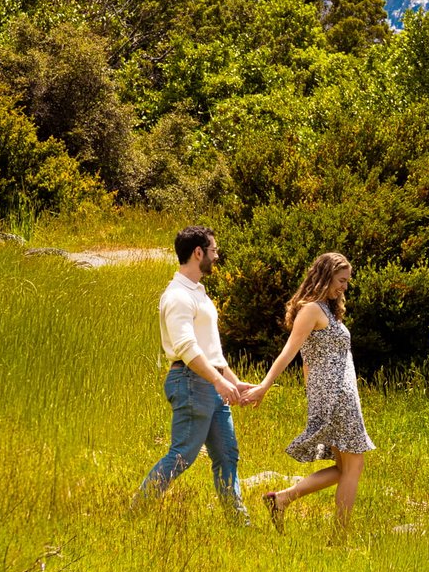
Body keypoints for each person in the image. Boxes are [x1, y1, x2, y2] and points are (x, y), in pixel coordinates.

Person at [243, 251, 374, 536]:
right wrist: (264, 386)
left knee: (344, 467)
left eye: (347, 282)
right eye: (341, 280)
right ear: (325, 276)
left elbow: (309, 361)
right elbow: (291, 352)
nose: (344, 287)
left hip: (340, 394)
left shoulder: (328, 310)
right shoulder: (312, 310)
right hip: (336, 395)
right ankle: (339, 539)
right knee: (354, 466)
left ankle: (282, 499)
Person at [133, 226, 250, 521]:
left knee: (227, 454)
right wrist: (217, 380)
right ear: (198, 253)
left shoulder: (198, 294)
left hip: (209, 383)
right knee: (183, 454)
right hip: (189, 381)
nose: (217, 256)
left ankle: (239, 522)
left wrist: (233, 382)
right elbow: (186, 347)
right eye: (214, 250)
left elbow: (210, 350)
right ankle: (135, 514)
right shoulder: (177, 296)